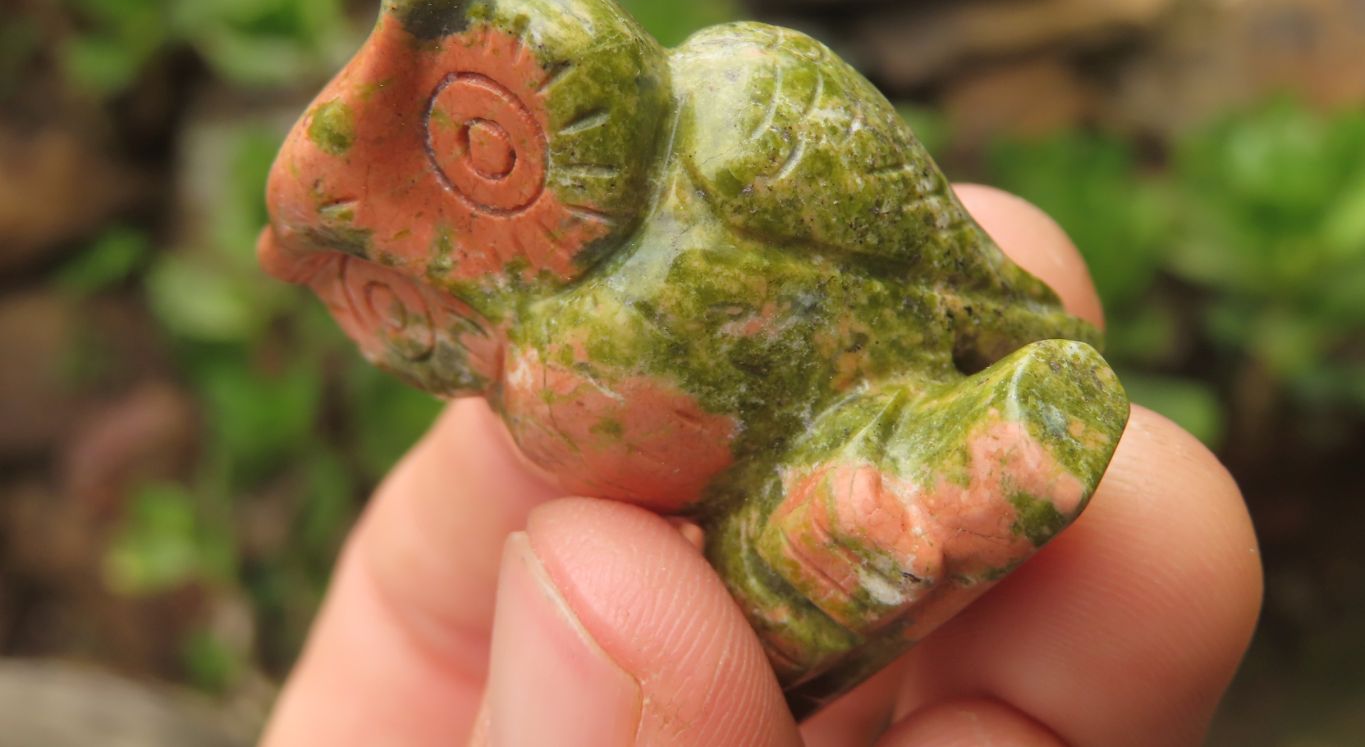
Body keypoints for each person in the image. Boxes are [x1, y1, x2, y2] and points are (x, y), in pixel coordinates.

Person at [259, 186, 1263, 747]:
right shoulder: (530, 402)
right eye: (389, 303)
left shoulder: (727, 117)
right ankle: (946, 478)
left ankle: (971, 453)